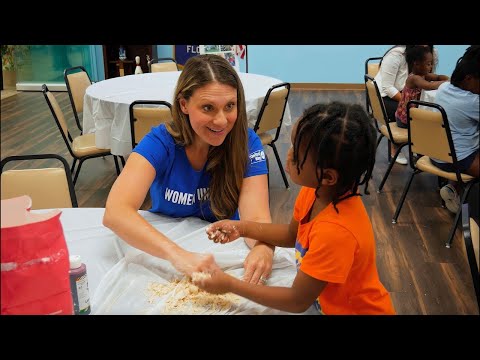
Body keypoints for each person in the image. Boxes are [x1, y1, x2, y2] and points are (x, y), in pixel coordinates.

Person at [193, 102, 396, 315]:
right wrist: (242, 228)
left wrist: (230, 285)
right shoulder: (316, 191)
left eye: (297, 156)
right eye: (292, 146)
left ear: (327, 176)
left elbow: (297, 301)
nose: (288, 155)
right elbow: (292, 235)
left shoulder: (335, 232)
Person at [103, 54, 274, 284]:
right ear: (184, 104)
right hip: (163, 251)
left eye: (230, 106)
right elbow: (115, 211)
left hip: (221, 254)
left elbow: (256, 217)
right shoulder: (161, 142)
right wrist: (178, 256)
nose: (221, 121)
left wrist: (263, 246)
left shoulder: (247, 143)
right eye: (208, 108)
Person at [431, 45, 479, 213]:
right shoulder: (473, 102)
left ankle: (454, 188)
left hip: (436, 153)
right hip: (456, 161)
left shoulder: (443, 88)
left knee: (464, 135)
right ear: (468, 78)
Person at [375, 45, 438, 165]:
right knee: (419, 116)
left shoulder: (431, 53)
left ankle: (420, 148)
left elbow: (428, 77)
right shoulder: (396, 55)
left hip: (411, 95)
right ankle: (398, 146)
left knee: (429, 113)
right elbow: (387, 88)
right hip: (387, 96)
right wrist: (408, 102)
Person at [395, 46, 448, 129]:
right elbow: (428, 86)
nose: (431, 67)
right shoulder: (414, 78)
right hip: (405, 119)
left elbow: (437, 77)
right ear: (416, 63)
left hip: (413, 114)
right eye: (428, 64)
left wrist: (447, 78)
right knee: (434, 125)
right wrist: (446, 83)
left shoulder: (423, 74)